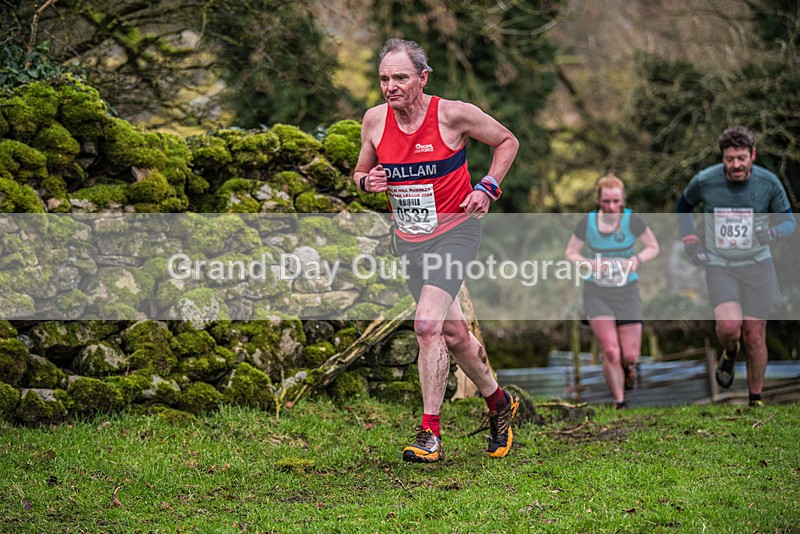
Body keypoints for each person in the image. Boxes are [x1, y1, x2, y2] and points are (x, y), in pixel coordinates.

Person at [353, 38, 520, 463]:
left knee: (426, 326)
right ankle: (499, 403)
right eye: (384, 79)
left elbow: (507, 142)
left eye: (400, 78)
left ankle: (430, 434)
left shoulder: (452, 114)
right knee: (454, 334)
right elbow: (360, 170)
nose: (390, 86)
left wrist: (488, 187)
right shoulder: (374, 121)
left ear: (422, 78)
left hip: (456, 233)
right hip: (409, 239)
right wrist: (365, 182)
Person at [676, 126, 796, 407]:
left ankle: (756, 398)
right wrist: (691, 240)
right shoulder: (705, 180)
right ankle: (729, 352)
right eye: (729, 159)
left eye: (741, 158)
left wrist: (775, 234)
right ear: (723, 158)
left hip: (758, 264)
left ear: (752, 155)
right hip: (721, 264)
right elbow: (683, 206)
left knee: (754, 336)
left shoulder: (768, 183)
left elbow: (789, 221)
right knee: (730, 327)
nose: (736, 165)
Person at [565, 175, 660, 410]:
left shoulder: (632, 221)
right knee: (610, 351)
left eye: (615, 201)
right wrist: (590, 264)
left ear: (622, 200)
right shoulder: (587, 223)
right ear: (598, 199)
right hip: (597, 292)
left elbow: (653, 247)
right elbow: (571, 253)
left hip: (627, 291)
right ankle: (619, 401)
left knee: (629, 355)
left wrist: (637, 259)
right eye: (606, 201)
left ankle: (627, 370)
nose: (610, 207)